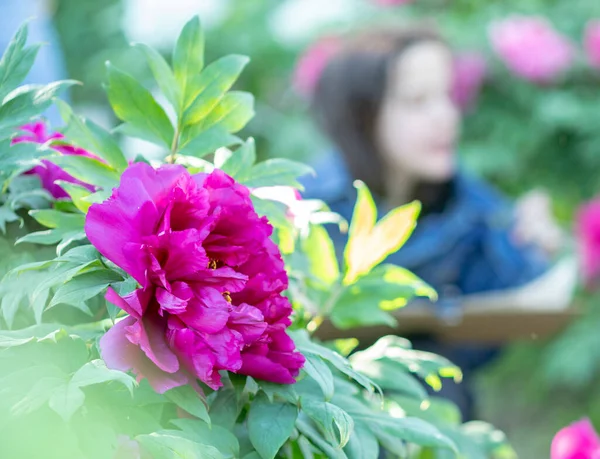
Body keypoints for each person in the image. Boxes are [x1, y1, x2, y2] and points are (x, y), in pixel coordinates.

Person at [302, 25, 563, 420]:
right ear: (363, 113)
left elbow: (499, 327)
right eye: (417, 101)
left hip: (433, 404)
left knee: (437, 379)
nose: (445, 117)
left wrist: (533, 239)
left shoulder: (469, 202)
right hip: (321, 401)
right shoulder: (305, 205)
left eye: (447, 96)